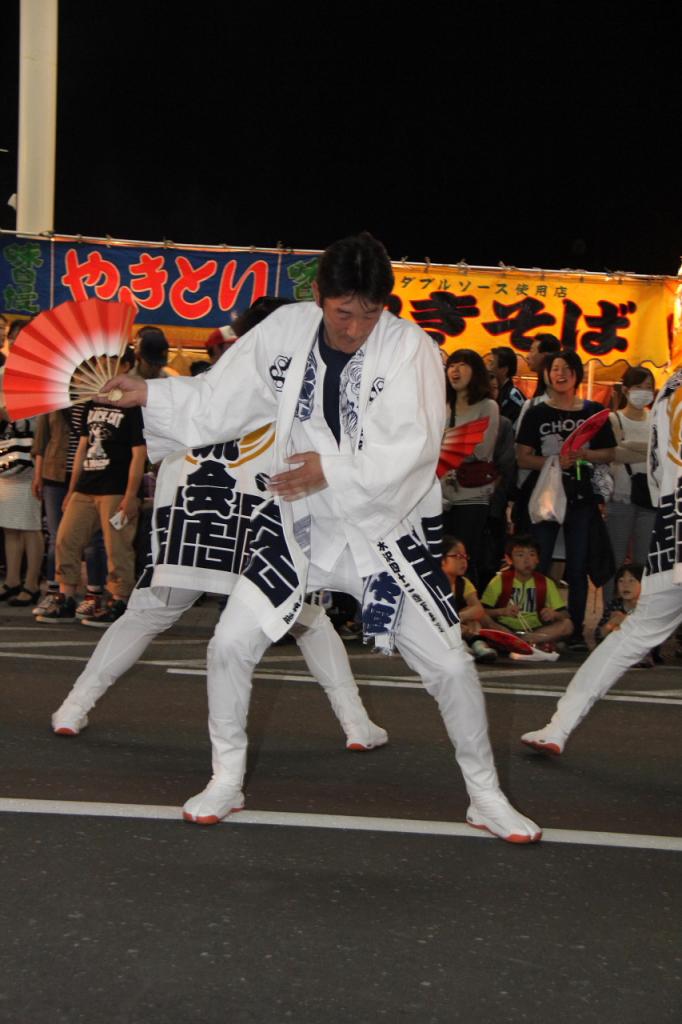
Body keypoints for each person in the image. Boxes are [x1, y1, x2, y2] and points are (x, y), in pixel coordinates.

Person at [102, 233, 541, 843]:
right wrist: (149, 390)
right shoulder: (284, 330)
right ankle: (226, 777)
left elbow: (414, 445)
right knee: (229, 643)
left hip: (379, 530)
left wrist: (328, 469)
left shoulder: (410, 349)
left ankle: (485, 795)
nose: (356, 326)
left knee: (451, 666)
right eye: (344, 311)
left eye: (370, 312)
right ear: (319, 296)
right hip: (298, 525)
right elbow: (219, 395)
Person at [51, 298, 387, 752]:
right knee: (307, 618)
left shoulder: (209, 382)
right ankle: (356, 723)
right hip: (259, 523)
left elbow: (161, 440)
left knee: (149, 613)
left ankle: (74, 705)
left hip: (195, 523)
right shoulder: (307, 388)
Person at [520, 366, 682, 755]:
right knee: (634, 633)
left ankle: (558, 726)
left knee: (632, 634)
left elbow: (659, 469)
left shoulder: (672, 387)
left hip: (674, 530)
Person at [515, 349, 616, 648]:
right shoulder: (536, 412)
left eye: (566, 369)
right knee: (540, 560)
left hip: (582, 496)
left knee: (578, 563)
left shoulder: (593, 412)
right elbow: (522, 458)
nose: (559, 374)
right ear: (546, 375)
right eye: (554, 369)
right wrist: (556, 460)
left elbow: (610, 453)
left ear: (576, 375)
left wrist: (583, 454)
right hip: (546, 495)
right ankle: (540, 625)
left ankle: (573, 629)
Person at [441, 349, 500, 589]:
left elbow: (481, 450)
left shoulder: (487, 406)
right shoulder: (442, 405)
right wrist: (458, 440)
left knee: (464, 555)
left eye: (462, 365)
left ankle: (466, 609)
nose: (454, 370)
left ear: (475, 372)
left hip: (472, 493)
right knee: (440, 555)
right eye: (451, 365)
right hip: (440, 492)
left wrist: (443, 441)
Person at [603, 366, 657, 604]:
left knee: (644, 561)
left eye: (648, 388)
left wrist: (629, 447)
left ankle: (640, 612)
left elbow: (659, 454)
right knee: (613, 559)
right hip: (620, 498)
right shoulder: (614, 419)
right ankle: (610, 610)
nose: (644, 393)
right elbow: (613, 453)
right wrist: (646, 451)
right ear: (625, 389)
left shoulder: (657, 420)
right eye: (638, 387)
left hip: (650, 498)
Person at [0, 320, 45, 606]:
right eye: (11, 338)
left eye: (20, 338)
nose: (14, 343)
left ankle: (32, 582)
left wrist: (11, 412)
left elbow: (45, 418)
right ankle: (12, 579)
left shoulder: (42, 374)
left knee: (30, 524)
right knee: (9, 524)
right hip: (6, 456)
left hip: (32, 456)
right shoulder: (3, 373)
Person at [480, 535, 573, 650]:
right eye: (520, 555)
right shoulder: (499, 581)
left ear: (538, 559)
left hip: (534, 631)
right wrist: (502, 611)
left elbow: (564, 614)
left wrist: (554, 614)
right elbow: (482, 611)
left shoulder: (546, 582)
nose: (527, 560)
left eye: (532, 554)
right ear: (509, 559)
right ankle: (528, 644)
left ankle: (518, 643)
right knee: (483, 619)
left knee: (567, 625)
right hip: (506, 628)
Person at [440, 536, 497, 663]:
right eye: (458, 556)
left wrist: (458, 618)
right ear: (442, 560)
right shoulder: (431, 583)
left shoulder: (464, 583)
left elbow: (478, 609)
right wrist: (453, 623)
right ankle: (462, 645)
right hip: (436, 630)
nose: (464, 561)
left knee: (473, 617)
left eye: (465, 557)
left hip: (459, 627)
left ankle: (477, 645)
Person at [489, 346, 525, 425]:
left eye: (492, 363)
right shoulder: (496, 392)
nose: (488, 368)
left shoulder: (512, 396)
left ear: (504, 370)